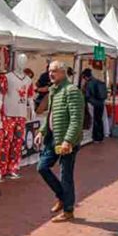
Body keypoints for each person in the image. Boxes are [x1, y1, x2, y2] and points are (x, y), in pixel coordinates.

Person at [35, 61, 84, 223]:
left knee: (66, 175)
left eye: (54, 71)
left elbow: (77, 119)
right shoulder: (54, 90)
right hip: (53, 139)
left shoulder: (71, 91)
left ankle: (68, 210)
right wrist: (42, 131)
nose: (51, 74)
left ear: (63, 73)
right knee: (42, 167)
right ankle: (62, 196)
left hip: (66, 141)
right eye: (49, 71)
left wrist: (68, 141)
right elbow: (51, 115)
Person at [82, 69, 107, 142]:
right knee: (99, 120)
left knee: (95, 120)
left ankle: (96, 137)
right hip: (101, 103)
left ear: (85, 76)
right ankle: (100, 137)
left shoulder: (90, 83)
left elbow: (87, 95)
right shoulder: (97, 81)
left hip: (94, 104)